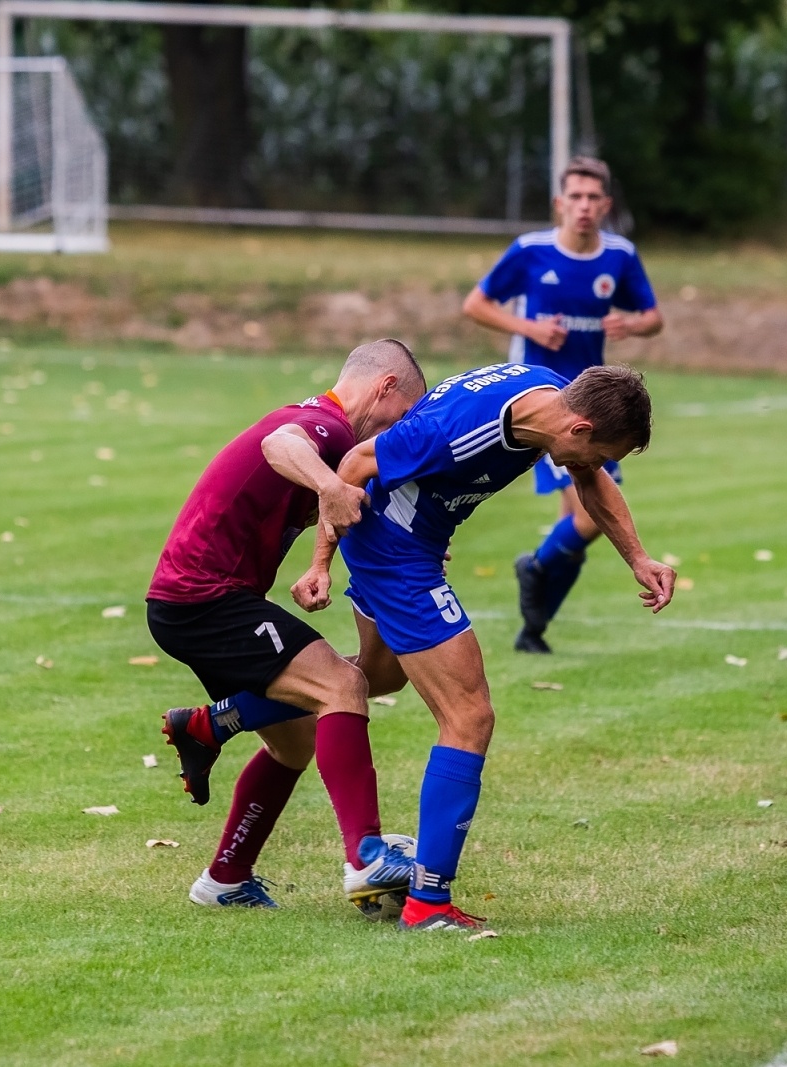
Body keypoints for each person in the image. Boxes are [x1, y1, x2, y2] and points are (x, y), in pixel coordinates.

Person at [292, 361, 674, 931]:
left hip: (406, 546)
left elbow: (591, 482)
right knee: (469, 716)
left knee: (375, 677)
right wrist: (320, 561)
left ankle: (217, 720)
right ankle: (427, 903)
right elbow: (354, 464)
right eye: (598, 454)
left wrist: (638, 557)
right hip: (396, 554)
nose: (595, 469)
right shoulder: (458, 429)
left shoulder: (550, 398)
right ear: (578, 428)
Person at [146, 339, 427, 911]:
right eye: (401, 415)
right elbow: (281, 444)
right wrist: (328, 486)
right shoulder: (323, 426)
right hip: (206, 600)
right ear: (385, 387)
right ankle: (367, 856)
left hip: (199, 603)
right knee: (342, 686)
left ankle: (224, 879)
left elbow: (348, 511)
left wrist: (323, 562)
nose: (396, 430)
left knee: (295, 744)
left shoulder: (336, 438)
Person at [462, 156, 664, 654]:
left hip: (598, 411)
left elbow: (654, 317)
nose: (585, 206)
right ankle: (535, 568)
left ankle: (534, 627)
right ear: (560, 203)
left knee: (578, 522)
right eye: (575, 196)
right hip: (547, 409)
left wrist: (631, 325)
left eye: (594, 198)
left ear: (606, 205)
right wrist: (529, 329)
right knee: (592, 517)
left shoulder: (618, 256)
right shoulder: (530, 252)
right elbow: (475, 305)